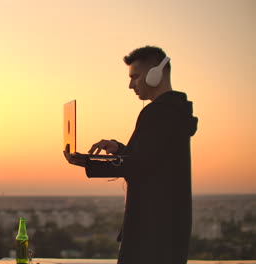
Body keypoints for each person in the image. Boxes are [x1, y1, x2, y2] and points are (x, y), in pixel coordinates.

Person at [64, 46, 198, 264]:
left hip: (151, 233)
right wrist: (119, 149)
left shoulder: (158, 113)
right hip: (166, 229)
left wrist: (87, 163)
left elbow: (138, 166)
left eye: (135, 76)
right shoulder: (174, 112)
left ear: (157, 73)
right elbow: (151, 161)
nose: (130, 85)